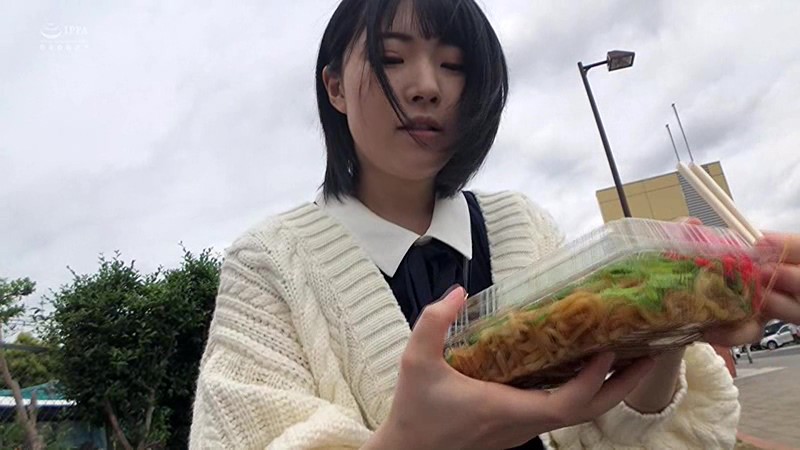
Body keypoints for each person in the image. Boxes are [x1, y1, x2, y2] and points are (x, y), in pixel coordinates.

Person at [188, 0, 800, 448]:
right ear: (334, 88)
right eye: (391, 57)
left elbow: (614, 432)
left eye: (453, 65)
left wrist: (671, 323)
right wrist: (406, 442)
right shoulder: (269, 264)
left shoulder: (521, 226)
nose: (426, 87)